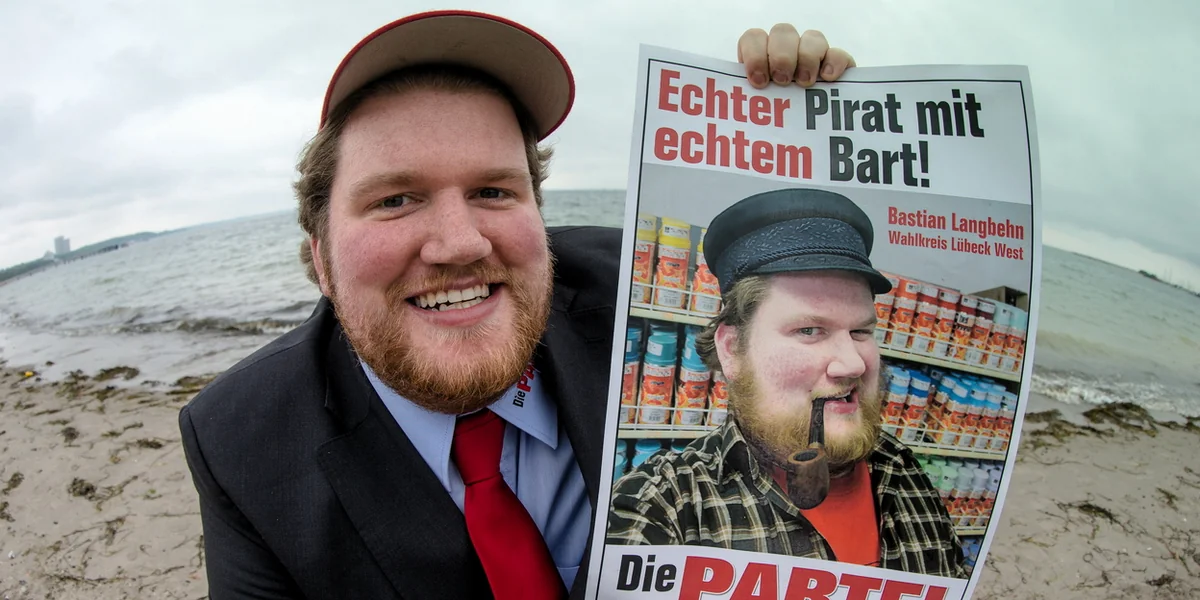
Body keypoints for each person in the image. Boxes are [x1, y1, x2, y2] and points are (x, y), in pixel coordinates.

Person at [178, 10, 861, 599]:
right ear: (322, 260)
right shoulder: (241, 440)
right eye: (395, 199)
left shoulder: (644, 290)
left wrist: (803, 126)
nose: (460, 242)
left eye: (494, 192)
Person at [606, 188, 967, 579]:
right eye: (809, 330)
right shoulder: (662, 506)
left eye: (861, 331)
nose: (853, 363)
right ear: (732, 350)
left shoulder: (902, 468)